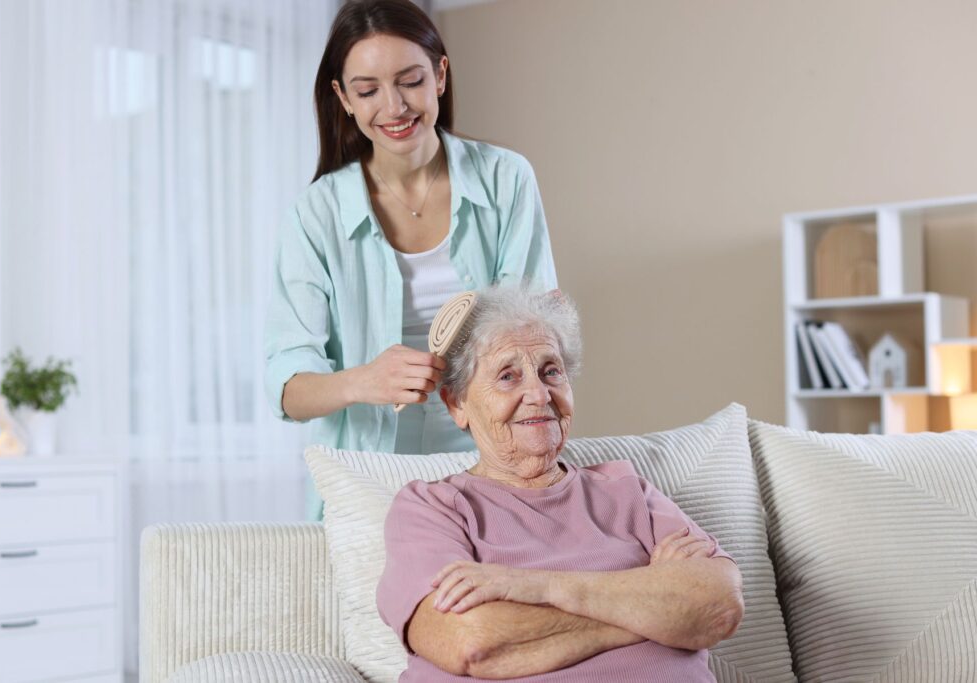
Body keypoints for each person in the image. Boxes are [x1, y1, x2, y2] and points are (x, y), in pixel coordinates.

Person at [264, 0, 558, 518]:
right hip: (368, 484)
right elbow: (287, 388)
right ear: (343, 98)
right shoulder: (315, 215)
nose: (395, 107)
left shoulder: (507, 179)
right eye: (368, 90)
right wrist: (364, 380)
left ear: (440, 76)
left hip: (496, 474)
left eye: (410, 80)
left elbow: (534, 331)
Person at [377, 286, 744, 681]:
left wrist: (534, 587)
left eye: (551, 371)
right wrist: (653, 609)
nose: (538, 394)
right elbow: (475, 642)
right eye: (507, 376)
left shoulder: (625, 491)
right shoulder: (432, 508)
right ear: (458, 404)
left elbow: (717, 606)